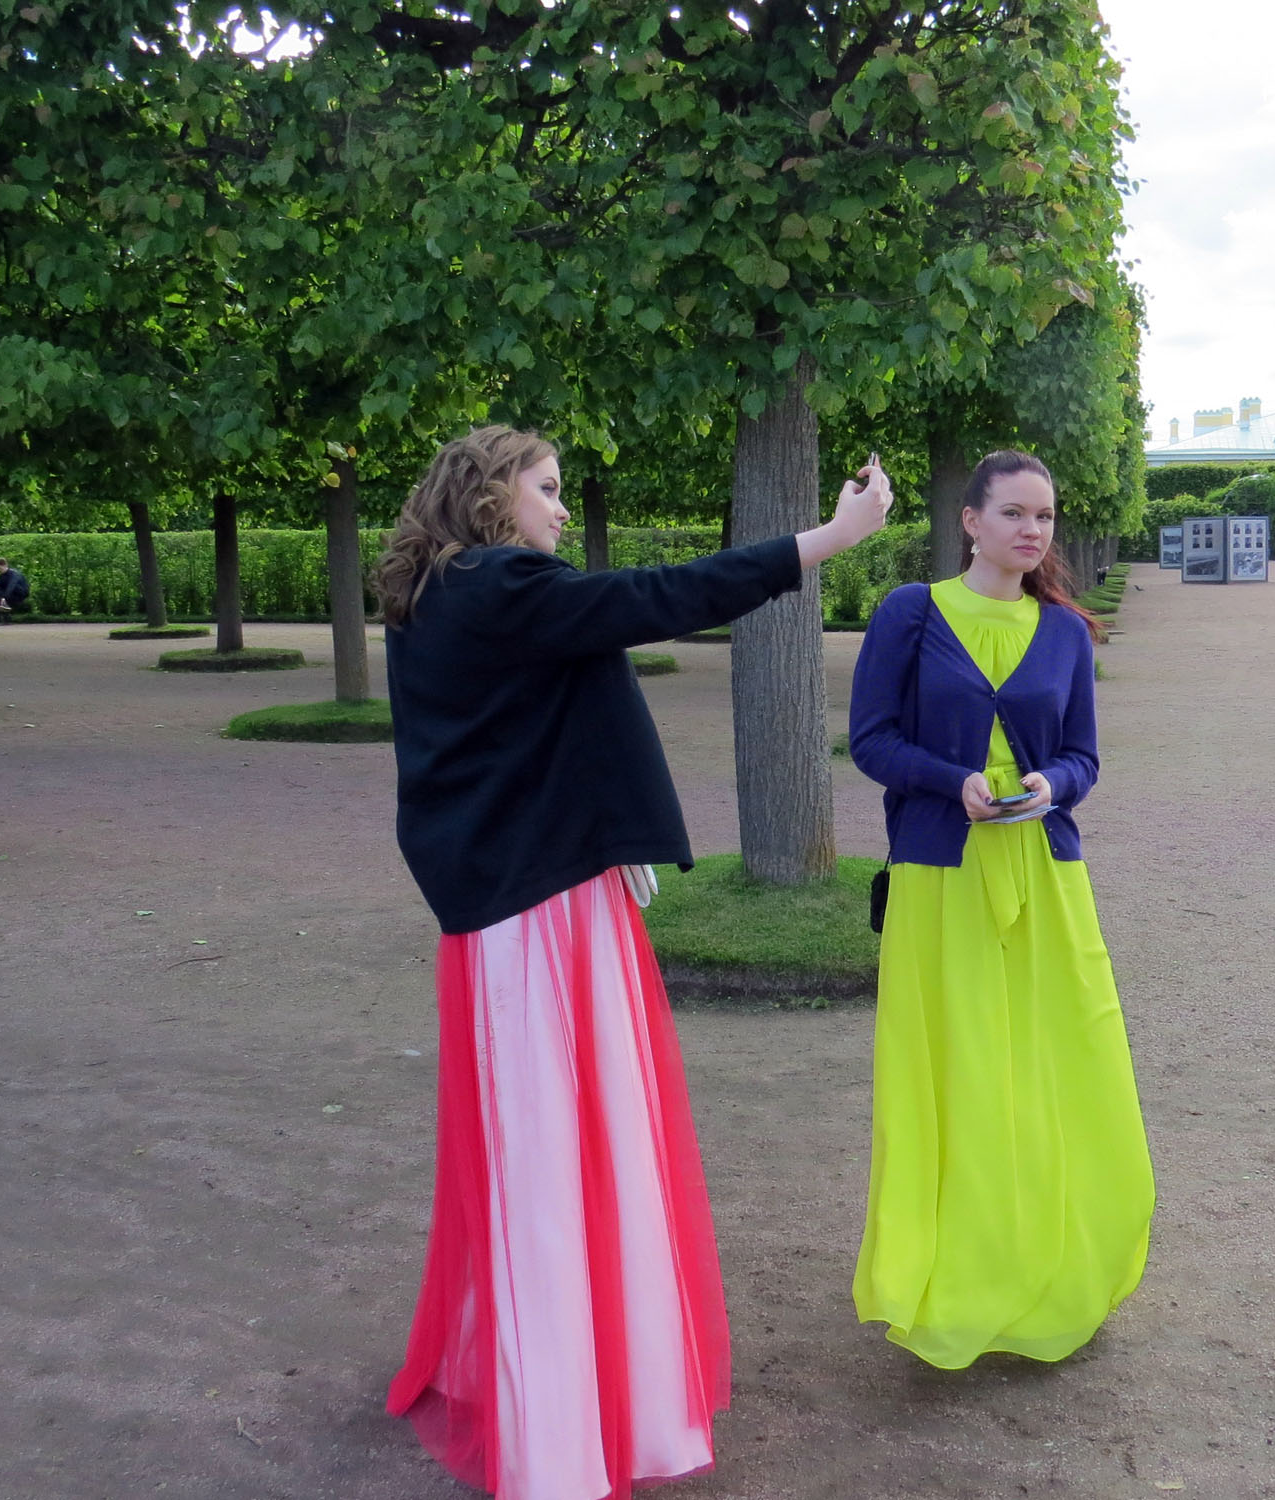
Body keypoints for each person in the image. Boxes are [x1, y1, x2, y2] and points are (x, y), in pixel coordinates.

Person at [375, 425, 893, 1500]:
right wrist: (828, 540)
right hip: (536, 908)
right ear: (490, 492)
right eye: (547, 488)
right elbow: (659, 597)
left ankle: (565, 1397)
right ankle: (560, 1428)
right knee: (555, 1159)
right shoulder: (499, 586)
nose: (562, 509)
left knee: (549, 1153)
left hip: (521, 899)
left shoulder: (440, 596)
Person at [847, 448, 1154, 1372]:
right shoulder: (911, 612)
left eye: (1044, 516)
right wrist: (954, 782)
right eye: (1015, 513)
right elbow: (871, 741)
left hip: (1044, 875)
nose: (1033, 530)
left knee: (1062, 1064)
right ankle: (951, 1278)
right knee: (956, 1074)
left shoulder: (1064, 632)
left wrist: (1052, 784)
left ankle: (1055, 1269)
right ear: (971, 521)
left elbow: (1084, 758)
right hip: (941, 878)